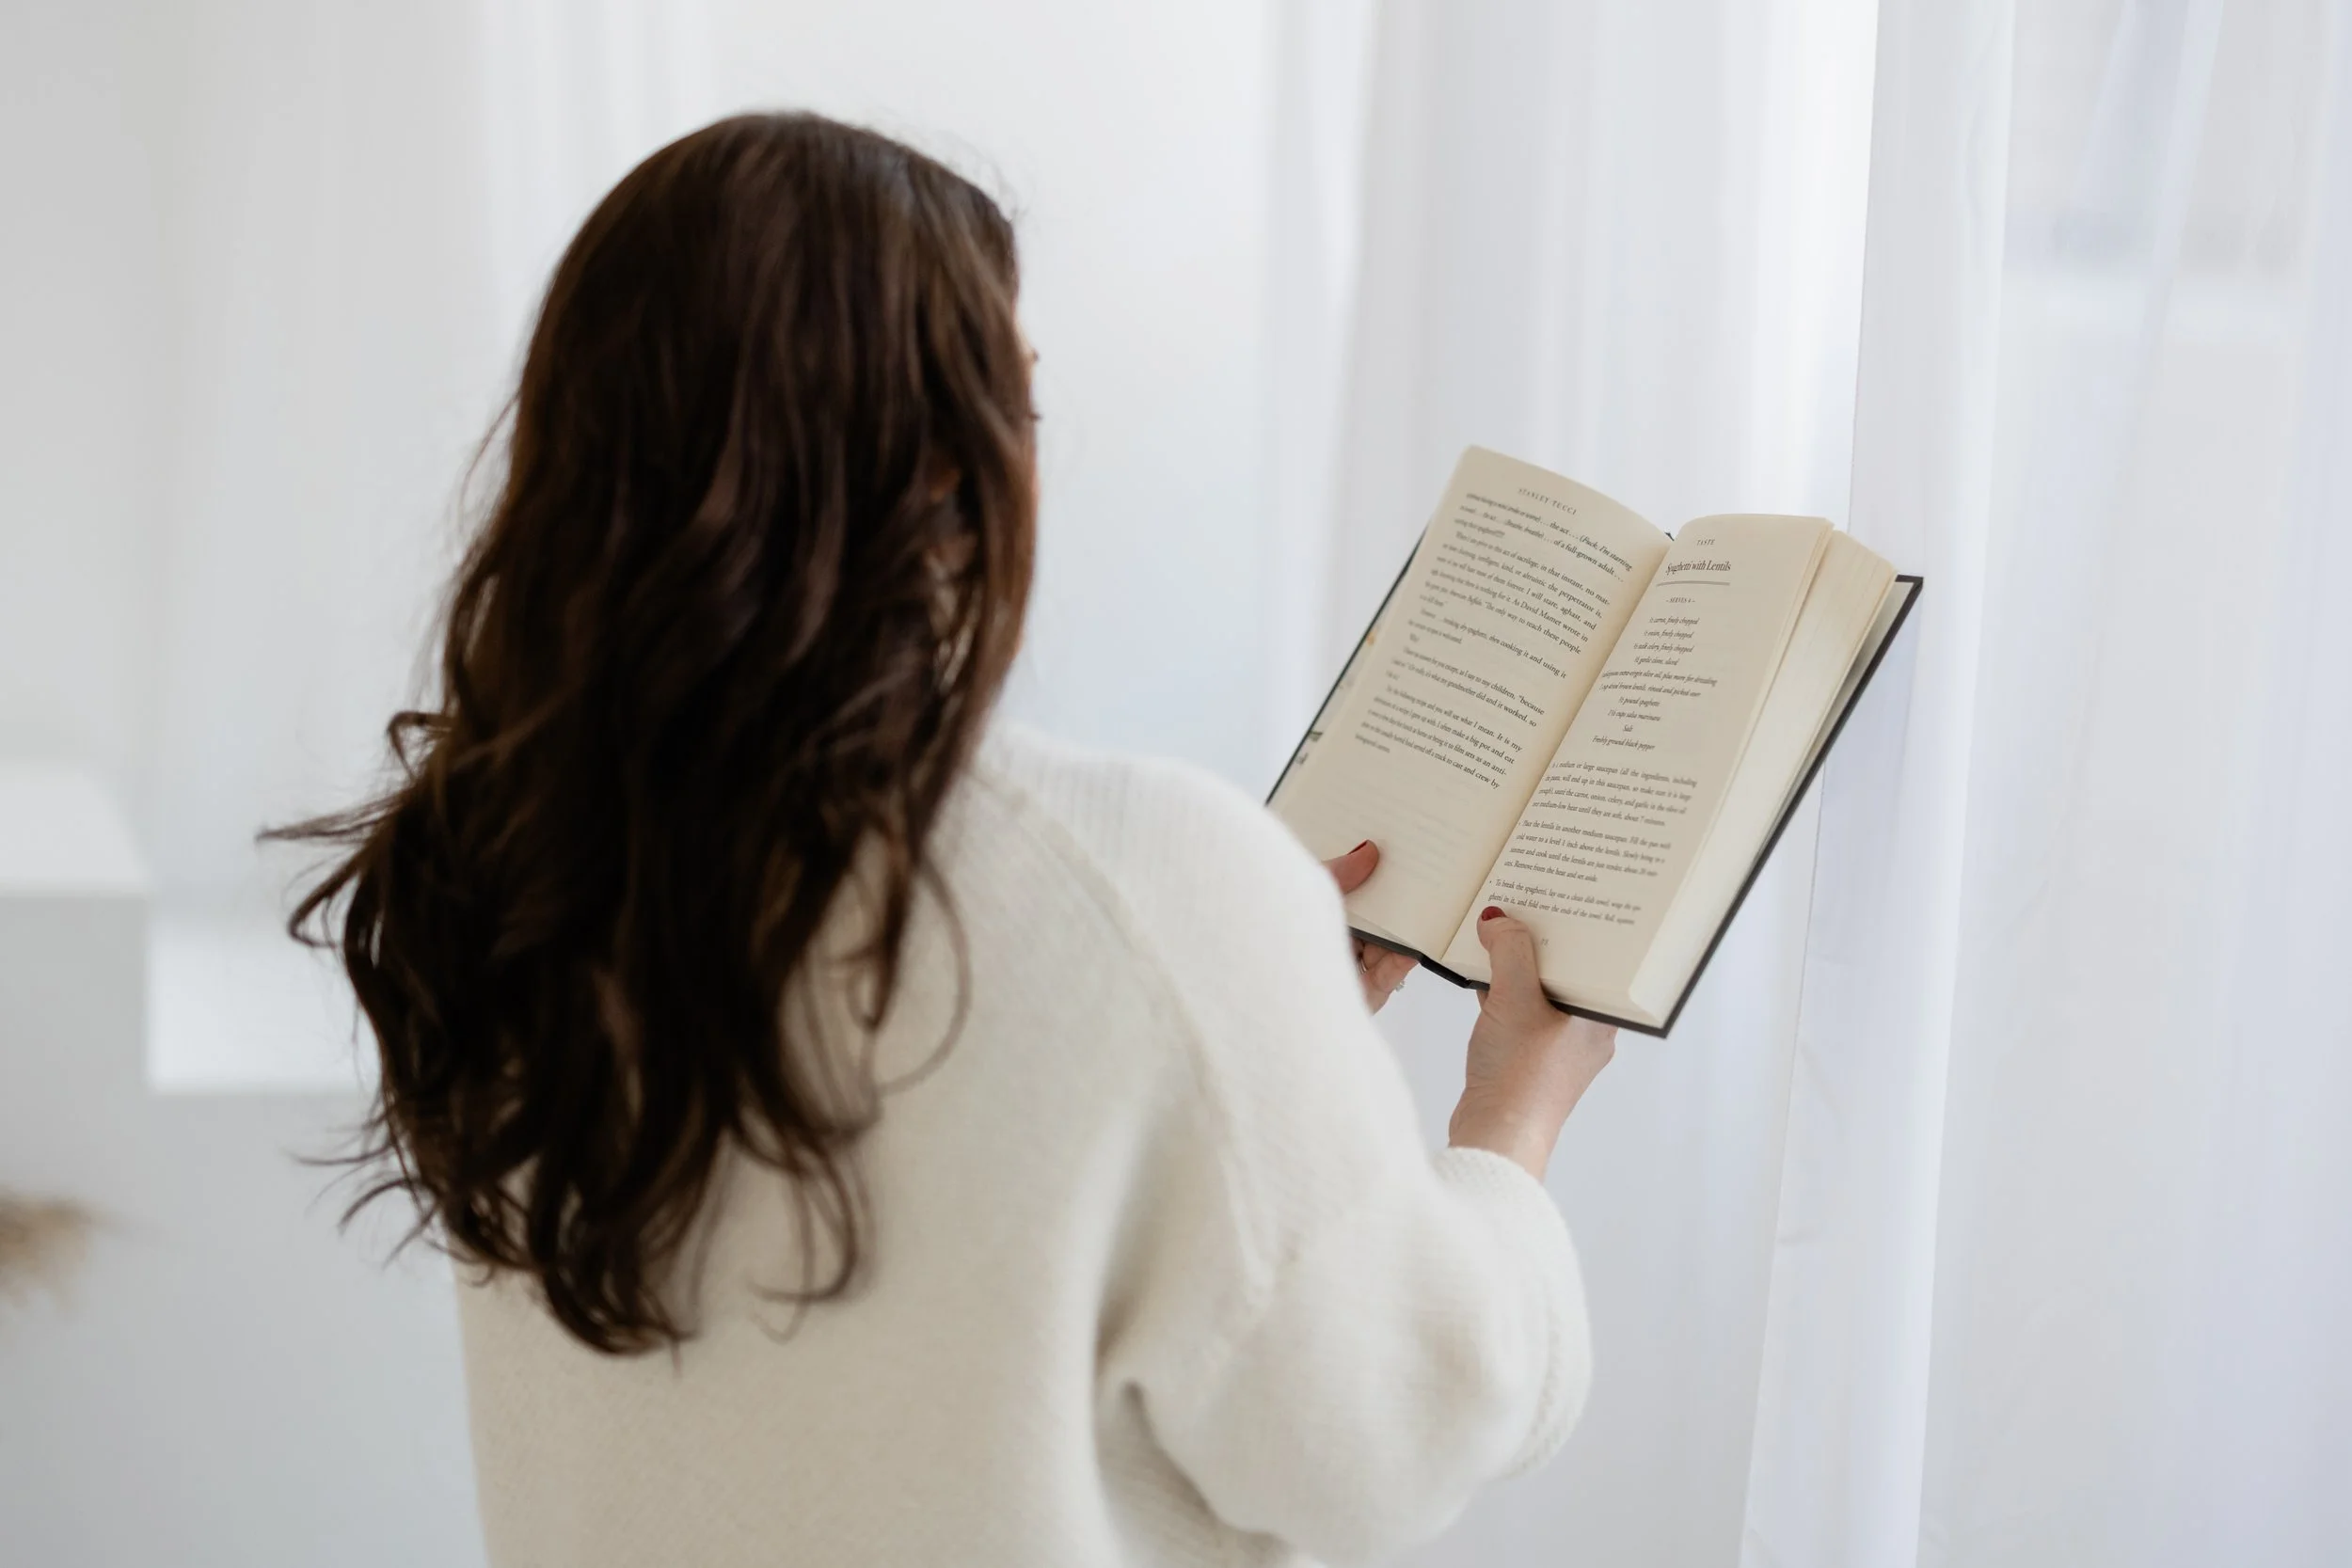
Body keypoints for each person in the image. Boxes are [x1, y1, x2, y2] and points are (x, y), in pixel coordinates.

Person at [279, 111, 1616, 1568]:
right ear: (938, 474)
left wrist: (1244, 1016)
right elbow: (1392, 1435)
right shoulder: (1144, 884)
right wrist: (1510, 1121)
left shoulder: (508, 877)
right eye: (1014, 402)